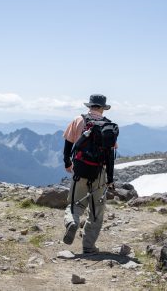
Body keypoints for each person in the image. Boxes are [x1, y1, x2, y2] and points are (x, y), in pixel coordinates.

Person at [62, 94, 118, 254]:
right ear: (102, 108)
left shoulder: (78, 120)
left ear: (90, 106)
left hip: (80, 170)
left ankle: (71, 222)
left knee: (75, 204)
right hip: (99, 173)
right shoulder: (109, 127)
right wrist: (110, 178)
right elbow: (110, 155)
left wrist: (67, 163)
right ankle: (88, 246)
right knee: (97, 211)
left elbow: (68, 143)